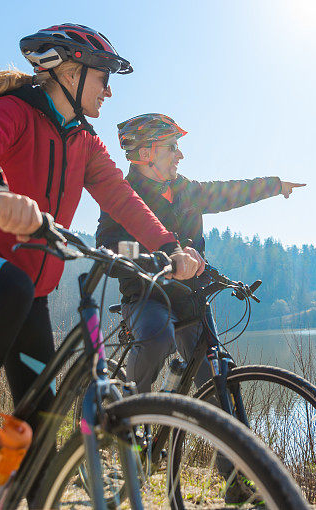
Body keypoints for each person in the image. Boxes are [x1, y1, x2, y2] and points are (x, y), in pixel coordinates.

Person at [0, 25, 200, 508]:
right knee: (11, 287)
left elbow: (123, 198)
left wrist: (171, 246)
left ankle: (12, 480)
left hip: (30, 295)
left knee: (41, 431)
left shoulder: (85, 143)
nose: (109, 90)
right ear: (69, 70)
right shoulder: (19, 112)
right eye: (102, 78)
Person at [95, 113, 304, 395]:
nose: (180, 154)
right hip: (146, 296)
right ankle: (129, 410)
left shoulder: (186, 190)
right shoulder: (123, 194)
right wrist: (163, 257)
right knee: (159, 339)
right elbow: (108, 249)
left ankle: (218, 431)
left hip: (191, 295)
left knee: (220, 379)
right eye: (171, 147)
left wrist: (275, 185)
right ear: (145, 153)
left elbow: (230, 192)